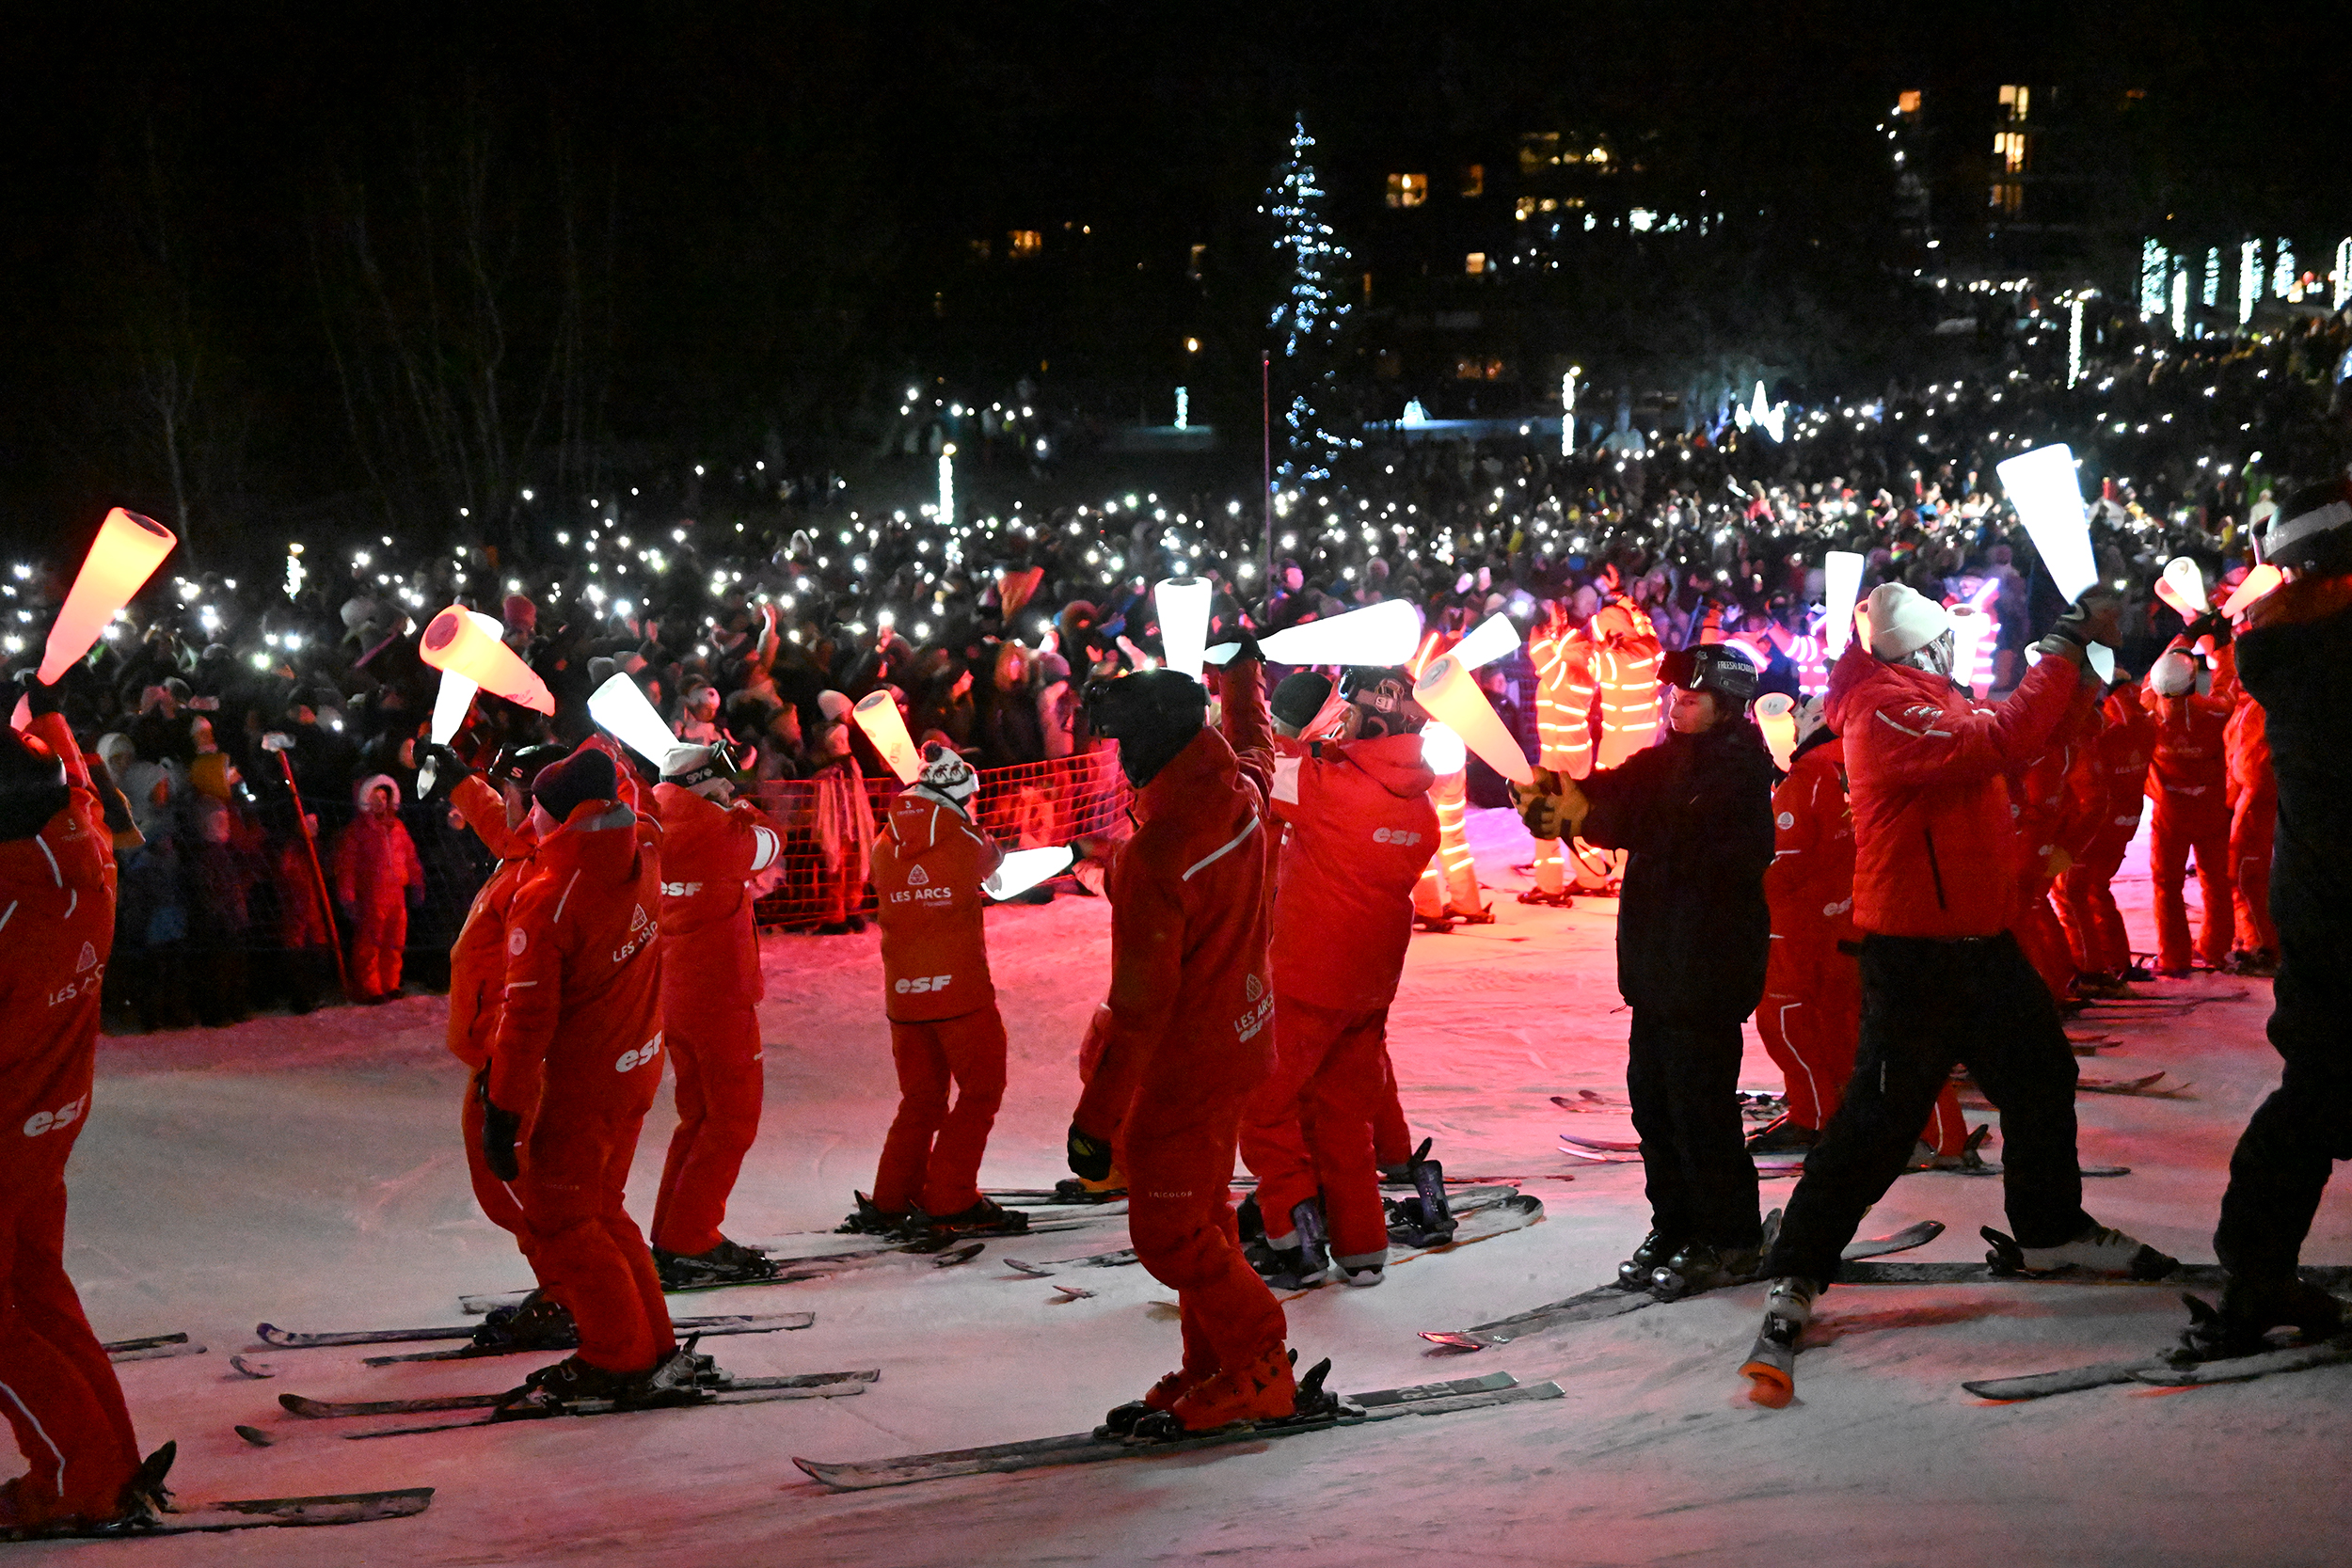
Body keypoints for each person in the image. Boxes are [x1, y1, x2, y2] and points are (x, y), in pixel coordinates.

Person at [1740, 583, 2171, 1406]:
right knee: (1877, 1121)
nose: (1958, 654)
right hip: (1916, 955)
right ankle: (1797, 1262)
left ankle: (2048, 1229)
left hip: (1978, 940)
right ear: (1924, 647)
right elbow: (2002, 741)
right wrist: (2060, 649)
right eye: (1947, 642)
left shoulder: (1927, 702)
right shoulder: (1881, 708)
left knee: (2041, 1076)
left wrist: (2081, 684)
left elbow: (2023, 740)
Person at [1069, 653, 1323, 1438]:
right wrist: (1242, 675)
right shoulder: (1238, 789)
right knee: (1201, 1217)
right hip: (1242, 1039)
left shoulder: (1156, 853)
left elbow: (1140, 1006)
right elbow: (1258, 744)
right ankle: (1213, 1362)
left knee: (1170, 1233)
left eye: (1122, 743)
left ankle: (1259, 1365)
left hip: (1185, 1064)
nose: (1118, 758)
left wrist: (1096, 1121)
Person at [1517, 643, 1775, 1298]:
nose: (1674, 706)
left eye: (1690, 699)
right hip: (1658, 970)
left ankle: (1732, 1237)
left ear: (1726, 706)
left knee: (1701, 1112)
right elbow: (1621, 790)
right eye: (1673, 697)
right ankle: (1678, 1224)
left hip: (1707, 972)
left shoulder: (1740, 770)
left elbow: (1669, 825)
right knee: (1653, 1107)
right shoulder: (1667, 759)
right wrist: (1565, 792)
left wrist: (1592, 817)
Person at [2182, 482, 2352, 1357]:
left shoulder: (2293, 651)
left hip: (2322, 911)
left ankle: (2256, 1274)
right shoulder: (2325, 663)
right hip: (2337, 913)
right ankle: (2255, 1276)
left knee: (2315, 1098)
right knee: (2318, 1096)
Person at [480, 745, 702, 1410]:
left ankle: (615, 1354)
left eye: (539, 810)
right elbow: (647, 807)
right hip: (636, 1065)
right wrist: (616, 766)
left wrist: (503, 1108)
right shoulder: (644, 854)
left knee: (561, 1213)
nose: (531, 821)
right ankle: (652, 1342)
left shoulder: (549, 896)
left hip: (587, 1080)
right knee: (604, 1207)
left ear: (559, 816)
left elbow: (526, 1022)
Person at [0, 675, 167, 1535]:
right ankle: (111, 1458)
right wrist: (48, 716)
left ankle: (77, 1479)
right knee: (37, 1292)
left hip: (6, 1120)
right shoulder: (80, 849)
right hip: (46, 1119)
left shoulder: (10, 906)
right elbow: (76, 784)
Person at [1239, 667, 1438, 1288]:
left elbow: (1267, 766)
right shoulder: (1423, 812)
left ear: (1373, 720)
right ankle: (1361, 1245)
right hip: (1370, 986)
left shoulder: (1327, 787)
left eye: (1350, 711)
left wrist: (1274, 715)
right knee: (1347, 1117)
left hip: (1306, 978)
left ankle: (1288, 1233)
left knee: (1265, 1104)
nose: (1341, 720)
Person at [1750, 700, 1969, 1163]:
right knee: (1857, 1026)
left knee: (1789, 1018)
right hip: (1862, 915)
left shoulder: (1809, 775)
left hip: (1805, 923)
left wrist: (1731, 889)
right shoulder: (1867, 763)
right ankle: (1908, 1128)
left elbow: (1784, 862)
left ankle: (1820, 1116)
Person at [850, 743, 1026, 1239]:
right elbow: (993, 862)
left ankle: (891, 1197)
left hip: (904, 995)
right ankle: (951, 1196)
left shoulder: (886, 840)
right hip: (960, 993)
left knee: (921, 1099)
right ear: (962, 798)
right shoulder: (965, 839)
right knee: (980, 1091)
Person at [429, 739, 572, 1350]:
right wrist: (460, 780)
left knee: (519, 1183)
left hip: (509, 1055)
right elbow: (498, 823)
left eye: (511, 792)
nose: (504, 803)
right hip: (492, 1051)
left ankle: (569, 1290)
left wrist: (506, 1069)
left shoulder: (540, 864)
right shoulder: (525, 843)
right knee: (503, 1184)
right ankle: (563, 1283)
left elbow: (529, 986)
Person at [647, 743, 785, 1286]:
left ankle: (674, 1231)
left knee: (697, 1117)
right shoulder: (718, 830)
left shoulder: (654, 822)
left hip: (673, 989)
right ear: (704, 783)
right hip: (721, 993)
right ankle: (690, 1238)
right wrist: (745, 811)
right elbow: (771, 843)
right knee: (731, 1119)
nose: (731, 794)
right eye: (724, 785)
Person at [2143, 641, 2238, 976]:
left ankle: (2173, 958)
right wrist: (2222, 649)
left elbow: (2150, 680)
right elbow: (2229, 684)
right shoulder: (2215, 712)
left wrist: (2182, 638)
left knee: (2166, 885)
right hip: (2211, 808)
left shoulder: (2148, 712)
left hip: (2169, 812)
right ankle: (2216, 948)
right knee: (2216, 880)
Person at [330, 773, 423, 1002]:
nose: (381, 802)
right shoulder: (358, 831)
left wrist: (417, 882)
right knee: (370, 942)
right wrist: (347, 895)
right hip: (372, 894)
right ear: (366, 800)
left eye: (384, 796)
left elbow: (410, 857)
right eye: (376, 797)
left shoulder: (398, 827)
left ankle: (390, 983)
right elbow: (347, 865)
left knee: (395, 940)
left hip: (396, 894)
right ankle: (370, 987)